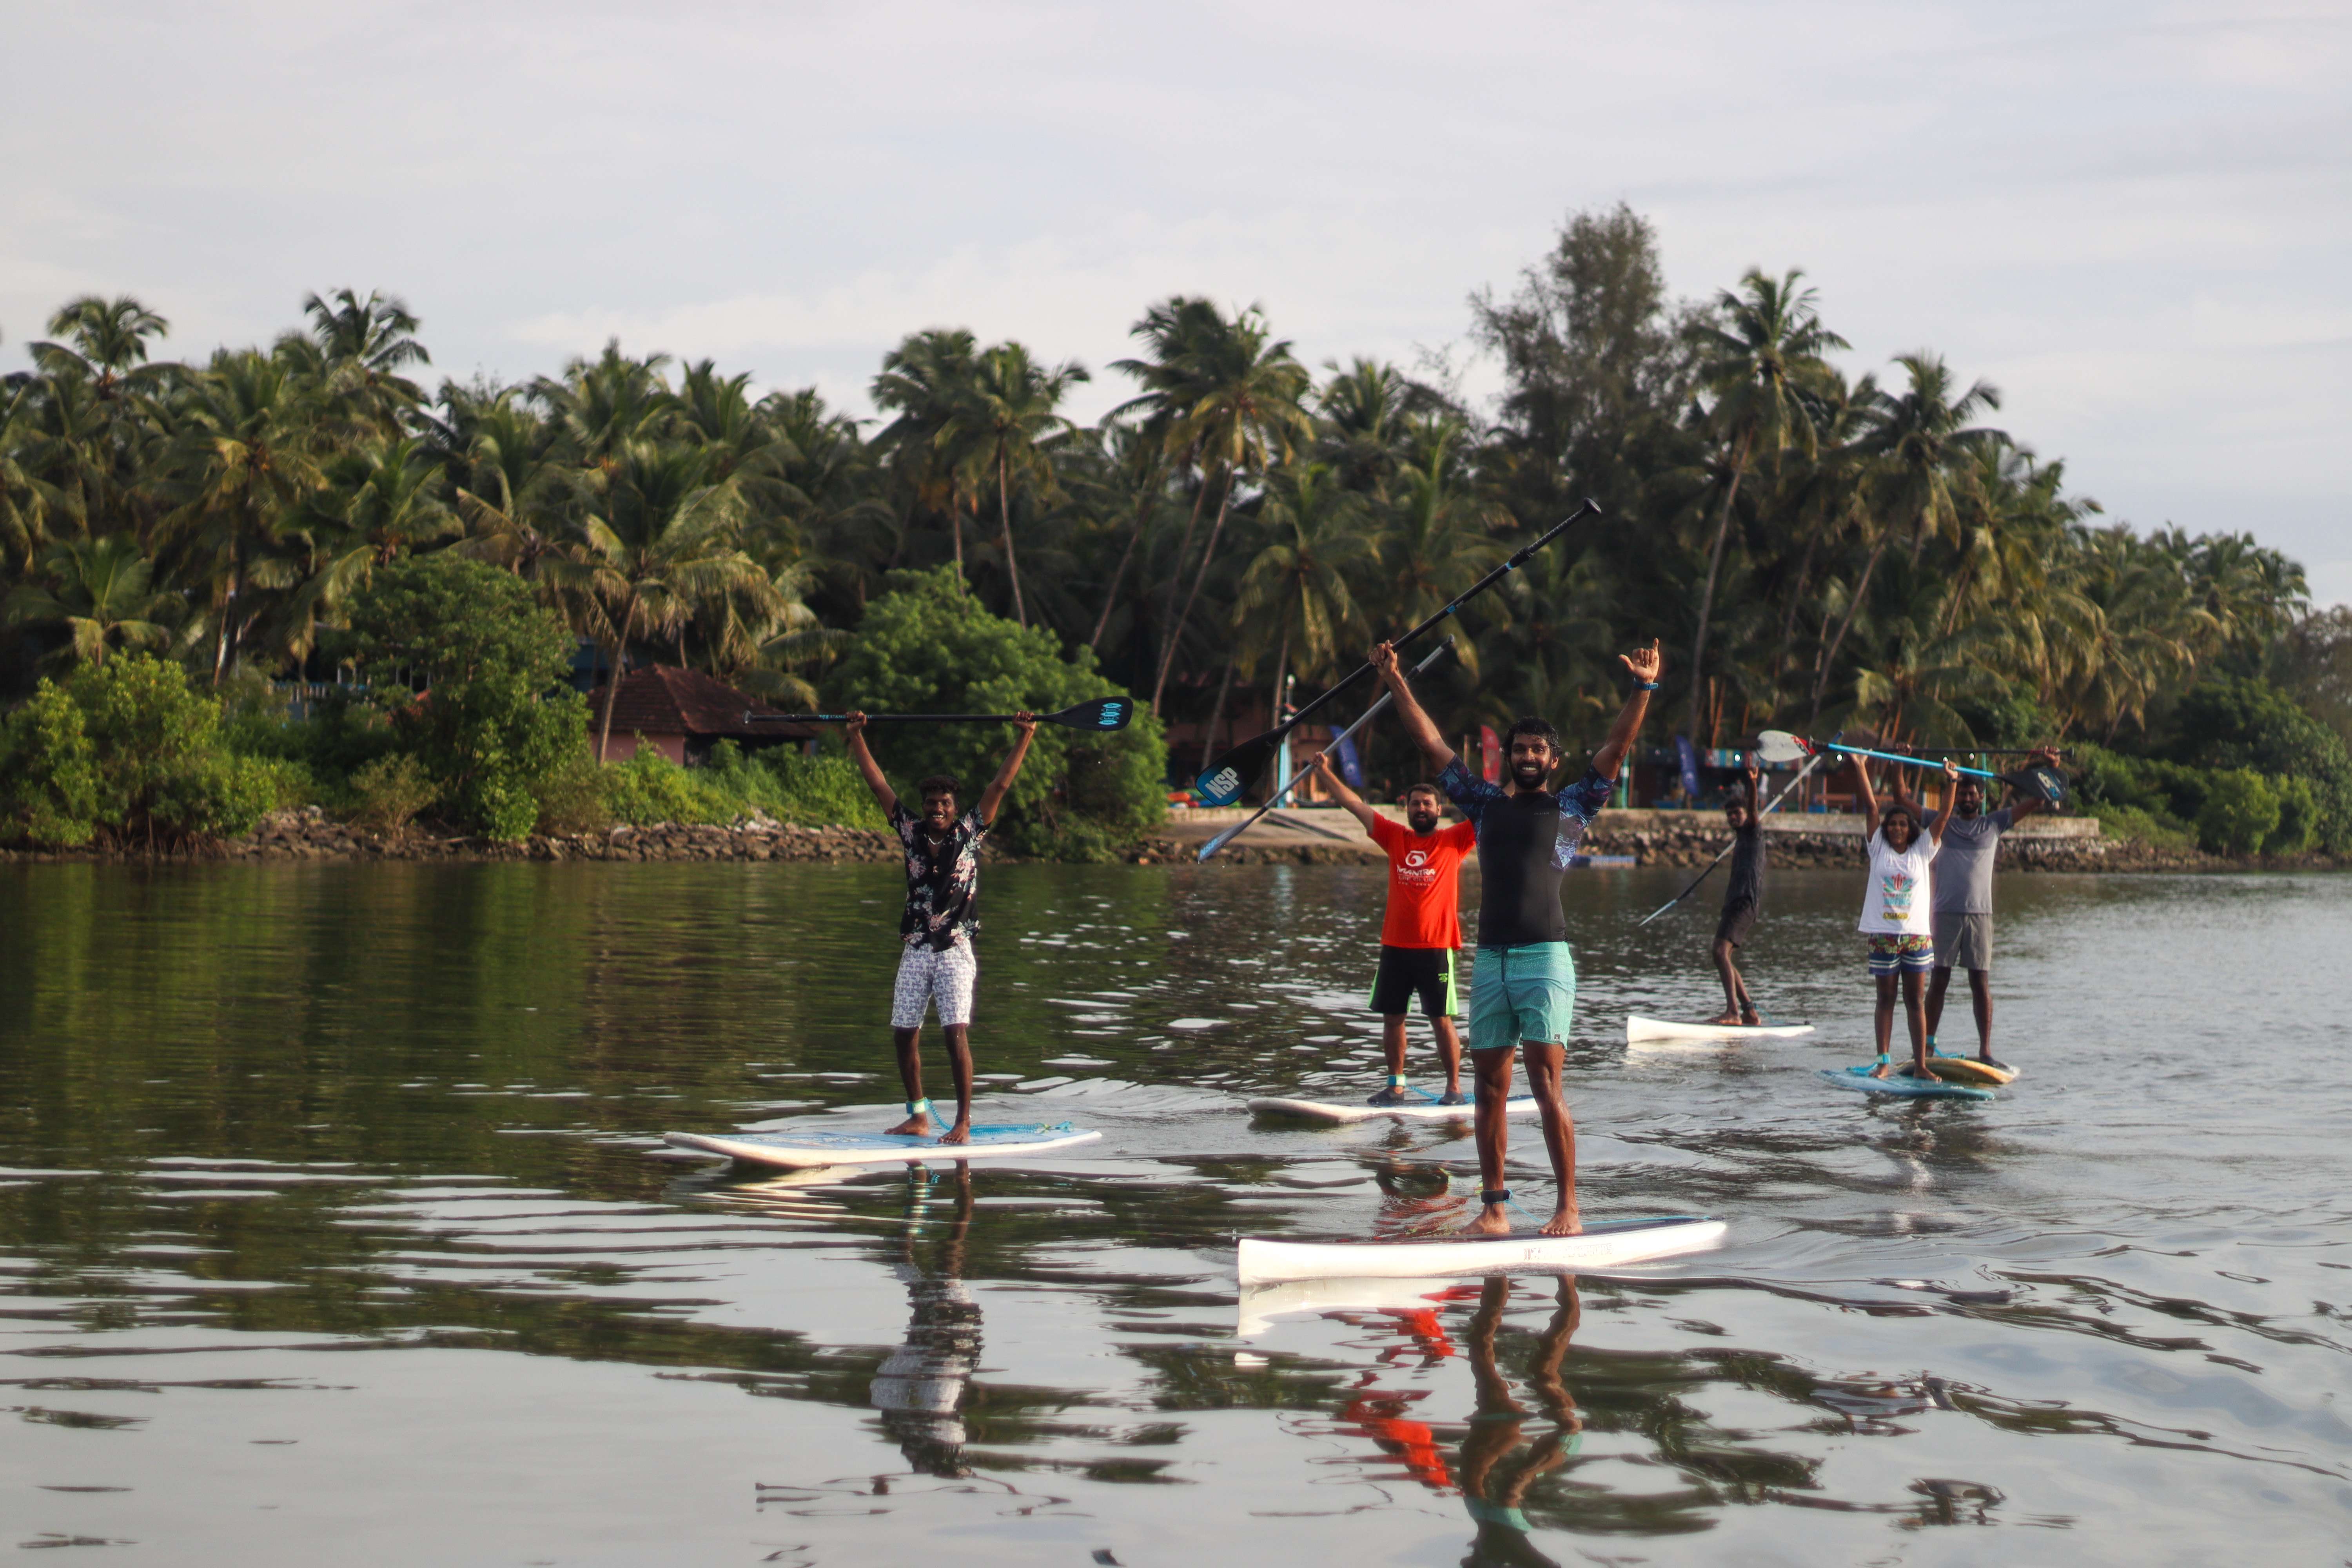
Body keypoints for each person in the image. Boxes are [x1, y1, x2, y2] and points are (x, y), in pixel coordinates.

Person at [1374, 637, 1662, 1237]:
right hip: (1491, 963)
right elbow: (1430, 744)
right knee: (1488, 1089)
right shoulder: (1482, 806)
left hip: (1545, 960)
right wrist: (1396, 679)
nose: (1528, 755)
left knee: (1546, 1082)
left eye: (1539, 750)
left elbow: (1617, 747)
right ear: (1506, 756)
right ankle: (1496, 1209)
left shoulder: (1573, 808)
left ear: (1553, 761)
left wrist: (1643, 688)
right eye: (1520, 748)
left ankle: (1568, 1208)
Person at [845, 711, 1038, 1144]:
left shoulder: (970, 831)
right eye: (931, 802)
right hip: (916, 945)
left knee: (954, 1032)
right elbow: (878, 784)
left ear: (955, 807)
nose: (937, 809)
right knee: (903, 1033)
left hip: (954, 947)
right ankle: (918, 1115)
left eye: (944, 803)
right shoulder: (909, 829)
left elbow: (1001, 785)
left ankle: (963, 1122)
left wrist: (1024, 736)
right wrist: (856, 736)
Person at [1308, 753, 1475, 1106]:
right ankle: (1396, 1086)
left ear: (1439, 810)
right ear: (1408, 809)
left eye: (1427, 804)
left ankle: (1454, 1089)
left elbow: (1495, 807)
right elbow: (1355, 805)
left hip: (1435, 947)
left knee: (1441, 1019)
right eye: (1415, 804)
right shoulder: (1394, 837)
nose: (1420, 808)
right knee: (1393, 1017)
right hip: (1396, 947)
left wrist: (1524, 781)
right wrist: (1324, 773)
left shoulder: (1455, 840)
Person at [1924, 749, 2062, 1066]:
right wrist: (1901, 765)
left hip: (1980, 917)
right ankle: (1928, 1047)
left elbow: (2039, 799)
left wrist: (2051, 767)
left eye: (1974, 793)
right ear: (1957, 796)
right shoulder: (1940, 822)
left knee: (1980, 983)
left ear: (1982, 797)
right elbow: (1901, 797)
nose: (1968, 798)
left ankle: (1986, 1051)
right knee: (1939, 980)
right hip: (1944, 914)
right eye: (1964, 793)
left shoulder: (1995, 824)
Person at [1852, 755, 1961, 1080]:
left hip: (1916, 936)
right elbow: (1872, 808)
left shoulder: (1921, 851)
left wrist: (1951, 782)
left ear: (1910, 829)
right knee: (1885, 999)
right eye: (1893, 824)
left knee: (1915, 1001)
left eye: (1902, 824)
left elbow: (1943, 817)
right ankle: (1884, 1061)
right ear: (1886, 830)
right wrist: (1860, 768)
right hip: (1883, 935)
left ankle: (1921, 1066)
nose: (1897, 828)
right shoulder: (1878, 848)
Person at [1709, 752, 1765, 1027]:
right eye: (1730, 815)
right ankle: (1749, 1012)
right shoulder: (1741, 837)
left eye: (1737, 813)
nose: (1734, 817)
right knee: (1723, 955)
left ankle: (1734, 1012)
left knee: (1720, 951)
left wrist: (1752, 784)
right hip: (1733, 903)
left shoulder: (1753, 831)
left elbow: (1754, 811)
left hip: (1745, 902)